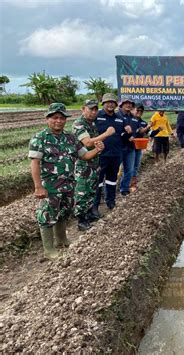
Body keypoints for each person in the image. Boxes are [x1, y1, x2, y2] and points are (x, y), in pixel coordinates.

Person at [29, 103, 104, 260]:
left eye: (62, 118)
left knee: (63, 213)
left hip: (69, 185)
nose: (59, 121)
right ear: (47, 119)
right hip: (50, 187)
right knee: (46, 215)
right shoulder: (40, 138)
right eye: (55, 117)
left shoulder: (71, 138)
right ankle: (49, 250)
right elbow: (34, 163)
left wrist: (97, 150)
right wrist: (38, 187)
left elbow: (84, 156)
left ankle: (62, 240)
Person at [72, 99, 115, 231]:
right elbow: (88, 143)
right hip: (83, 165)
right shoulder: (79, 124)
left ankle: (89, 213)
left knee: (91, 190)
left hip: (94, 163)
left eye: (96, 109)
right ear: (83, 109)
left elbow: (94, 143)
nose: (93, 112)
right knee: (82, 192)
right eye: (91, 109)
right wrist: (106, 134)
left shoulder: (92, 124)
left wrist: (99, 146)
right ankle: (81, 219)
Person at [93, 93, 132, 210]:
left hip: (116, 154)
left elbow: (123, 136)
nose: (110, 104)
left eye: (113, 102)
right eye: (108, 102)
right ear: (103, 103)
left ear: (116, 105)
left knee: (112, 179)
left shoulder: (120, 118)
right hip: (100, 155)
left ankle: (111, 201)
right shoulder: (97, 116)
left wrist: (128, 133)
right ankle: (95, 204)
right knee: (98, 180)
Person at [117, 98, 137, 196]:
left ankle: (124, 188)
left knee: (129, 169)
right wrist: (125, 136)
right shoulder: (117, 116)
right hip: (119, 147)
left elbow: (135, 131)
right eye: (126, 103)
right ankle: (108, 191)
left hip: (131, 147)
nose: (128, 105)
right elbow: (116, 131)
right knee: (114, 170)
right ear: (121, 105)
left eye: (130, 104)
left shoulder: (133, 117)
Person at [130, 102, 151, 192]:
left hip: (138, 147)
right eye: (137, 110)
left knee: (136, 166)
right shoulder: (129, 120)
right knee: (128, 166)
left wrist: (156, 130)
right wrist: (145, 129)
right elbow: (138, 132)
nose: (139, 112)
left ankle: (133, 184)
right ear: (133, 110)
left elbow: (147, 133)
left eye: (141, 111)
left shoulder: (143, 122)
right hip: (128, 147)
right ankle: (124, 184)